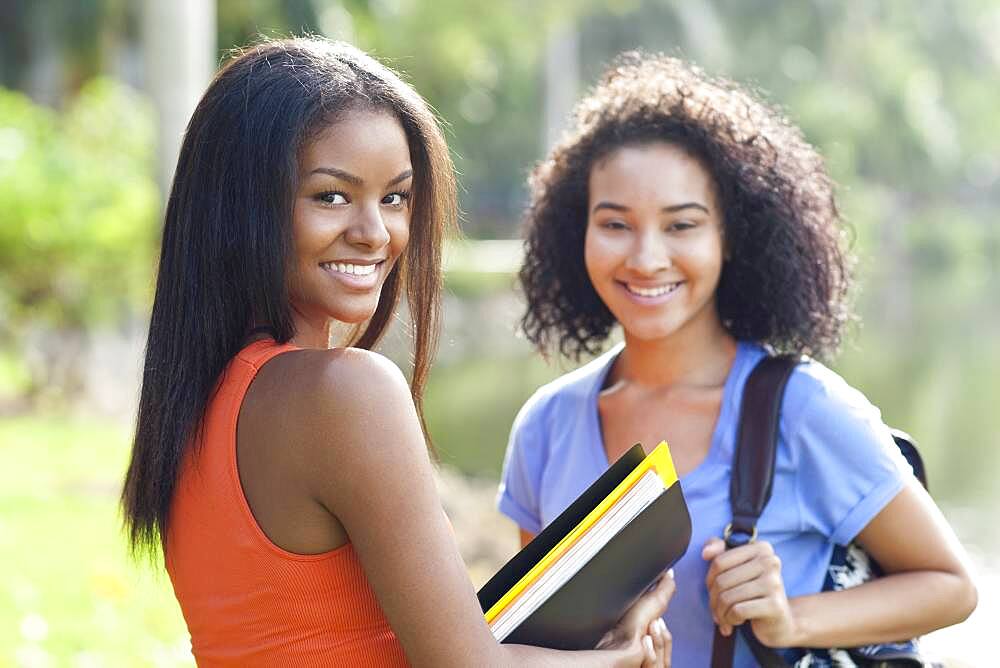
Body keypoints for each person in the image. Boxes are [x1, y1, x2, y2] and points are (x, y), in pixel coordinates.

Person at [120, 38, 675, 667]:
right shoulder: (341, 392)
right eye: (331, 196)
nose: (375, 233)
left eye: (395, 197)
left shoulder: (199, 403)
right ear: (241, 205)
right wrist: (623, 655)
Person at [498, 52, 977, 667]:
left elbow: (952, 585)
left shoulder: (805, 410)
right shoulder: (545, 426)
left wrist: (790, 618)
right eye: (615, 224)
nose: (646, 258)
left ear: (732, 237)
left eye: (682, 226)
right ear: (576, 233)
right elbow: (530, 643)